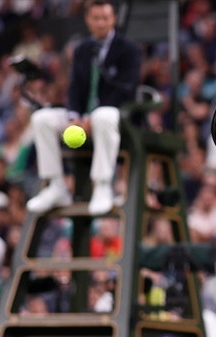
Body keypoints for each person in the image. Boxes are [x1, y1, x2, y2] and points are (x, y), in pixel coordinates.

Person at [26, 0, 142, 216]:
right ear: (88, 20)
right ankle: (56, 185)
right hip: (82, 119)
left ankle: (102, 184)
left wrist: (90, 118)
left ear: (114, 19)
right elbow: (75, 89)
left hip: (116, 118)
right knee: (41, 118)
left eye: (105, 18)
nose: (101, 23)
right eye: (96, 18)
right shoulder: (81, 50)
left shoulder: (130, 50)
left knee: (103, 116)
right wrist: (74, 117)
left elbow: (127, 90)